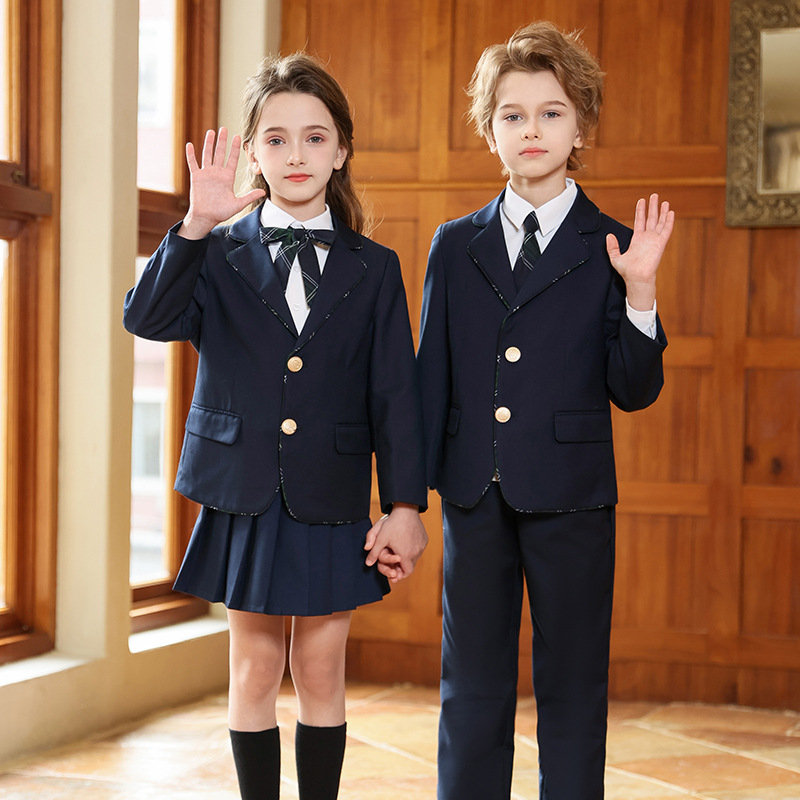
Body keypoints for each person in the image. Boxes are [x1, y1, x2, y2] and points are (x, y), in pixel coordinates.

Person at [123, 53, 428, 800]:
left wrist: (405, 506)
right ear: (254, 152)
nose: (297, 155)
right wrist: (195, 222)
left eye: (316, 138)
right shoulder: (217, 252)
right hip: (243, 490)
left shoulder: (375, 267)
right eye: (278, 138)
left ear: (343, 150)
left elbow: (397, 392)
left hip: (329, 491)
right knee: (256, 668)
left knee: (320, 668)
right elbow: (147, 316)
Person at [417, 21, 674, 800]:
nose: (532, 129)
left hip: (573, 495)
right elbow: (430, 381)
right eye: (512, 114)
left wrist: (640, 293)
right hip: (473, 493)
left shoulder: (616, 245)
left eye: (552, 112)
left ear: (581, 125)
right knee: (471, 688)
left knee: (572, 688)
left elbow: (635, 389)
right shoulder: (452, 245)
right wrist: (402, 500)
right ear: (488, 130)